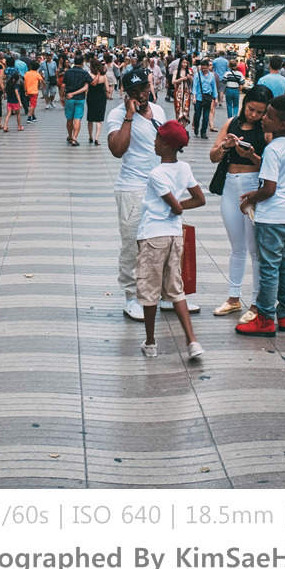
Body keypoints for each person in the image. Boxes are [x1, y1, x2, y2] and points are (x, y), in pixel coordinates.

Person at [136, 119, 206, 360]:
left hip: (152, 236)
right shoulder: (184, 168)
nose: (154, 142)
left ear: (166, 145)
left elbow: (175, 208)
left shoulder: (156, 174)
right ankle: (192, 341)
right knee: (176, 288)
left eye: (157, 139)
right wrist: (177, 207)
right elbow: (199, 199)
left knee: (150, 290)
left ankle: (150, 342)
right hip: (175, 236)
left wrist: (175, 207)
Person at [235, 94, 285, 337]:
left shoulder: (273, 148)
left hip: (271, 218)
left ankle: (264, 318)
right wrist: (253, 157)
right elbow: (279, 176)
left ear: (282, 124)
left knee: (269, 269)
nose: (263, 118)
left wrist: (250, 199)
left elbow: (270, 189)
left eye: (269, 116)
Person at [106, 69, 171, 321]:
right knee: (132, 245)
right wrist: (129, 116)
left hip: (160, 187)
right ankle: (131, 297)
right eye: (134, 91)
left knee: (163, 242)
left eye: (143, 88)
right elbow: (117, 150)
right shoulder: (118, 115)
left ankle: (166, 293)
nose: (141, 95)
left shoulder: (159, 111)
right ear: (126, 93)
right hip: (132, 189)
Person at [209, 85, 273, 320]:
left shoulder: (267, 131)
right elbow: (213, 156)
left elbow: (270, 167)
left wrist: (251, 155)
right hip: (229, 185)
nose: (254, 115)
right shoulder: (231, 123)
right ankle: (233, 298)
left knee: (255, 250)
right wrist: (225, 146)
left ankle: (256, 303)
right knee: (237, 247)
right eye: (250, 109)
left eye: (260, 112)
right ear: (245, 104)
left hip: (253, 188)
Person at [62, 54, 91, 146]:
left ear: (74, 62)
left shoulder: (67, 72)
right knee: (77, 118)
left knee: (69, 118)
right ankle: (75, 138)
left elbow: (63, 85)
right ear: (82, 63)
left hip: (69, 98)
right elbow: (91, 82)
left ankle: (70, 136)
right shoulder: (84, 73)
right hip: (80, 98)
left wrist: (62, 97)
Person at [192, 59, 218, 139]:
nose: (203, 70)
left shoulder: (211, 76)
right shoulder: (197, 75)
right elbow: (194, 86)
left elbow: (214, 87)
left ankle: (203, 132)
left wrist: (215, 98)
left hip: (207, 98)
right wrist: (194, 97)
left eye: (205, 68)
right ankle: (196, 127)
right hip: (198, 98)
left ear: (208, 67)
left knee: (206, 116)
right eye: (202, 68)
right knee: (197, 115)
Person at [85, 58, 108, 143]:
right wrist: (107, 93)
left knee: (90, 118)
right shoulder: (104, 76)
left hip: (91, 97)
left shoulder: (89, 75)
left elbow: (87, 88)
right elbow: (107, 88)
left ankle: (90, 136)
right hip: (101, 97)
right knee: (99, 119)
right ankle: (97, 138)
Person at [2, 61, 25, 132]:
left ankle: (5, 126)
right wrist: (20, 103)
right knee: (18, 114)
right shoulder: (15, 86)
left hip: (9, 101)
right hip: (15, 102)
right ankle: (19, 126)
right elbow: (17, 94)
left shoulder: (8, 85)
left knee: (8, 114)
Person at [172, 55, 193, 125]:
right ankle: (179, 125)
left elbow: (192, 83)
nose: (185, 64)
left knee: (186, 109)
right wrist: (182, 79)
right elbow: (173, 81)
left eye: (186, 63)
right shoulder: (176, 71)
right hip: (178, 93)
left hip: (186, 93)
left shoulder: (189, 71)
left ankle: (183, 126)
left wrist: (190, 78)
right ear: (180, 63)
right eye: (183, 62)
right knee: (178, 109)